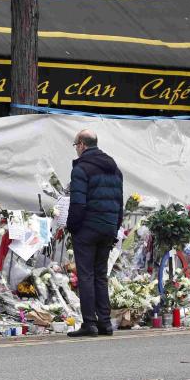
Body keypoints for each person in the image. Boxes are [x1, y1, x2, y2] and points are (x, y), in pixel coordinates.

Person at [65, 129, 123, 337]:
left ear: (81, 144)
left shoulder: (81, 168)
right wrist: (114, 227)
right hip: (108, 227)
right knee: (101, 276)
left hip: (88, 228)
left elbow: (78, 203)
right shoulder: (114, 168)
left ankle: (89, 323)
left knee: (86, 275)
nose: (76, 150)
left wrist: (72, 227)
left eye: (76, 145)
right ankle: (105, 323)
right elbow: (119, 203)